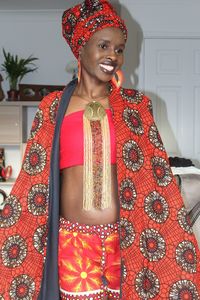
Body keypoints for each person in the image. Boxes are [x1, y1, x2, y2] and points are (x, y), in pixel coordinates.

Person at [0, 0, 200, 299]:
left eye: (119, 49)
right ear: (80, 48)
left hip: (126, 242)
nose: (113, 56)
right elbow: (33, 181)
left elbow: (156, 178)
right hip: (72, 243)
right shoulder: (53, 107)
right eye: (103, 46)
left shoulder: (136, 107)